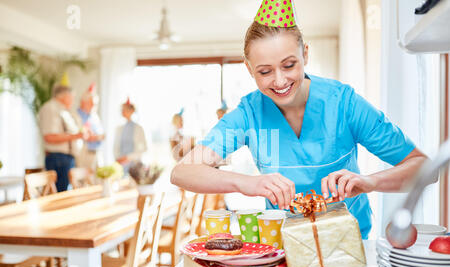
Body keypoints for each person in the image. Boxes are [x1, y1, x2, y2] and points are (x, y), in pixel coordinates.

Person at [170, 0, 428, 239]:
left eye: (289, 65)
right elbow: (183, 172)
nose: (280, 81)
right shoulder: (249, 115)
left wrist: (370, 182)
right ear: (249, 69)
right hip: (283, 247)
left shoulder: (344, 103)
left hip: (350, 245)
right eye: (265, 71)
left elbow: (423, 167)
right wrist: (247, 183)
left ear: (305, 54)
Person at [38, 85, 87, 191]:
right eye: (72, 97)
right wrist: (77, 136)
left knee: (65, 192)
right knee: (60, 194)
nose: (73, 100)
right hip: (58, 158)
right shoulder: (50, 109)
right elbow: (49, 137)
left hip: (67, 158)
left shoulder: (64, 110)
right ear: (63, 96)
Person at [76, 83, 105, 172]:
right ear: (83, 102)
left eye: (95, 104)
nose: (94, 106)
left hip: (97, 153)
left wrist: (99, 136)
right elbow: (81, 134)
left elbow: (102, 134)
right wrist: (93, 137)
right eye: (92, 103)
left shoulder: (94, 116)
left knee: (99, 179)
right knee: (84, 179)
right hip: (85, 153)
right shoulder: (76, 115)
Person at [113, 99, 147, 173]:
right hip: (121, 166)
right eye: (122, 110)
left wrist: (127, 158)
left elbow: (142, 149)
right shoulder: (119, 129)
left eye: (125, 110)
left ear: (132, 111)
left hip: (135, 166)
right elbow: (115, 148)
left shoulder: (139, 129)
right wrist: (119, 159)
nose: (123, 112)